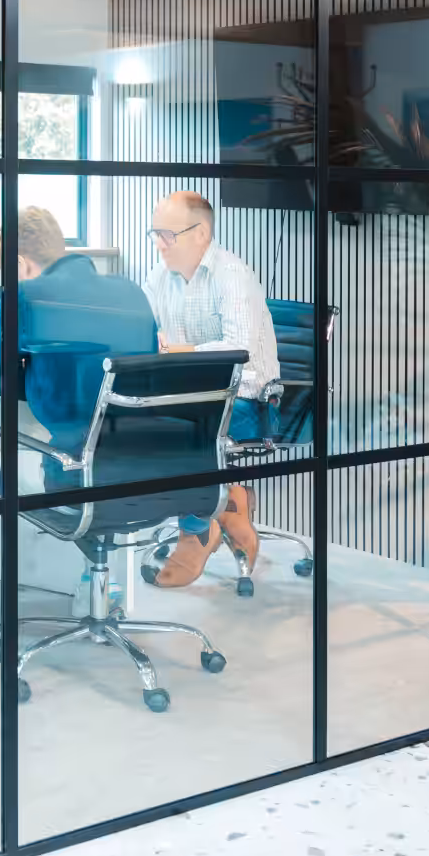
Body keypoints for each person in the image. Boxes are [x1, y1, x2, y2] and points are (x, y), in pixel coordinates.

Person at [0, 208, 157, 656]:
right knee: (80, 448)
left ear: (20, 264)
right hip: (142, 466)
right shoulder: (131, 291)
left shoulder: (28, 295)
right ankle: (98, 589)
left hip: (76, 473)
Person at [139, 191, 277, 588]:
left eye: (168, 235)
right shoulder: (159, 277)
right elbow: (143, 332)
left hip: (249, 400)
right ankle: (228, 502)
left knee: (180, 427)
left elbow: (238, 349)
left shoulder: (232, 275)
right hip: (190, 395)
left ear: (201, 234)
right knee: (134, 419)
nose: (159, 244)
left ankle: (197, 529)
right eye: (155, 234)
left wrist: (176, 351)